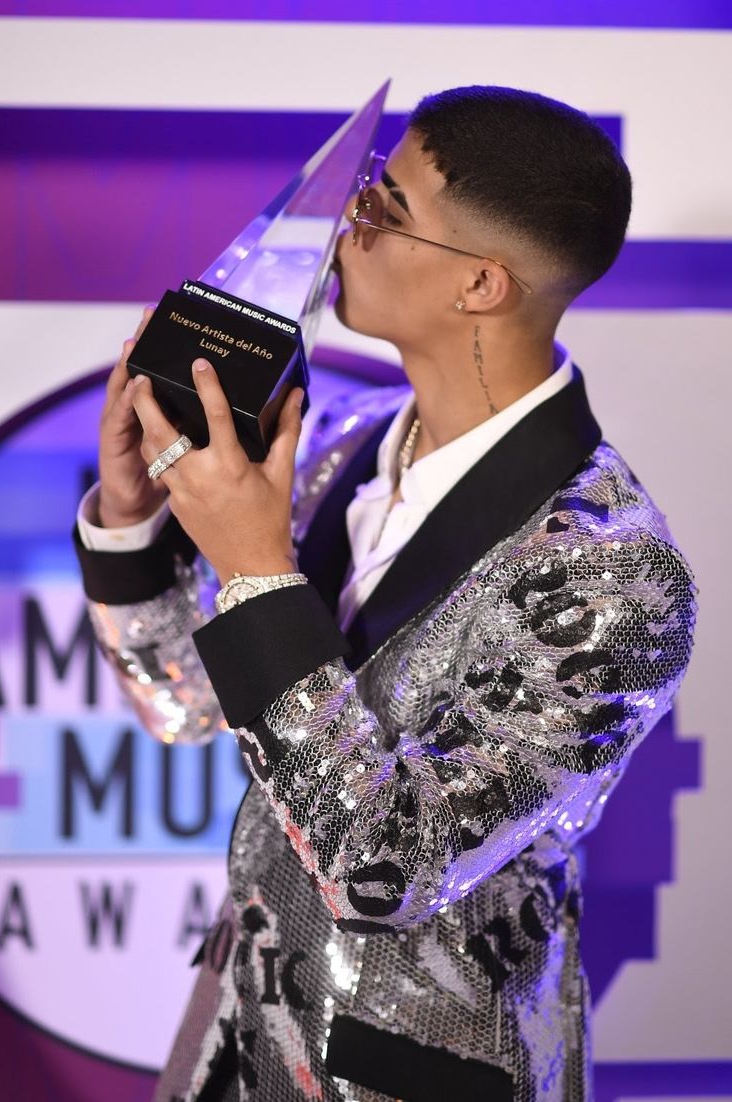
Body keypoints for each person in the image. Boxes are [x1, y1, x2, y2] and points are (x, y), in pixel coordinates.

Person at [74, 86, 697, 1102]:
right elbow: (185, 702)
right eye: (365, 187)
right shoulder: (326, 444)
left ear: (481, 286)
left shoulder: (616, 572)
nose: (344, 225)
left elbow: (388, 867)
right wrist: (131, 517)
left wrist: (256, 568)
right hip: (229, 1044)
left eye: (384, 208)